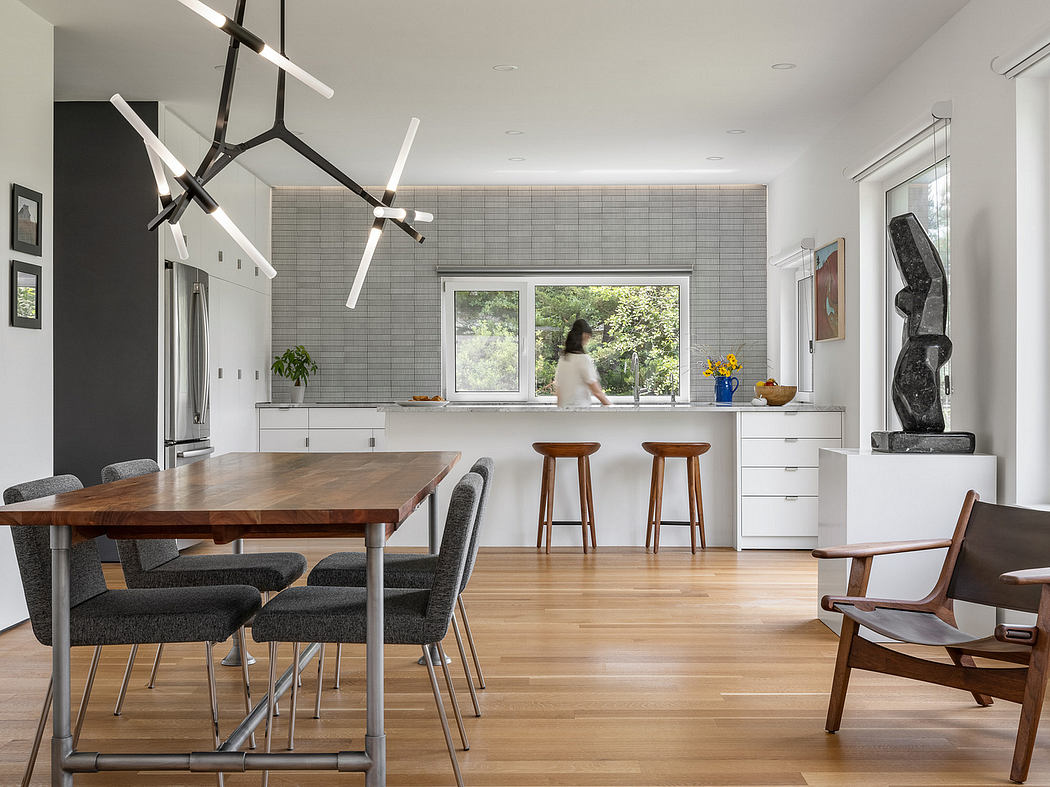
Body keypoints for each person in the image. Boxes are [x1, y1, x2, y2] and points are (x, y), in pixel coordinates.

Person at [554, 319, 612, 407]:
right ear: (584, 336)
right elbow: (597, 392)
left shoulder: (563, 359)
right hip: (580, 412)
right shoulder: (583, 359)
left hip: (563, 413)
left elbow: (558, 390)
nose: (588, 341)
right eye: (589, 337)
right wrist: (611, 407)